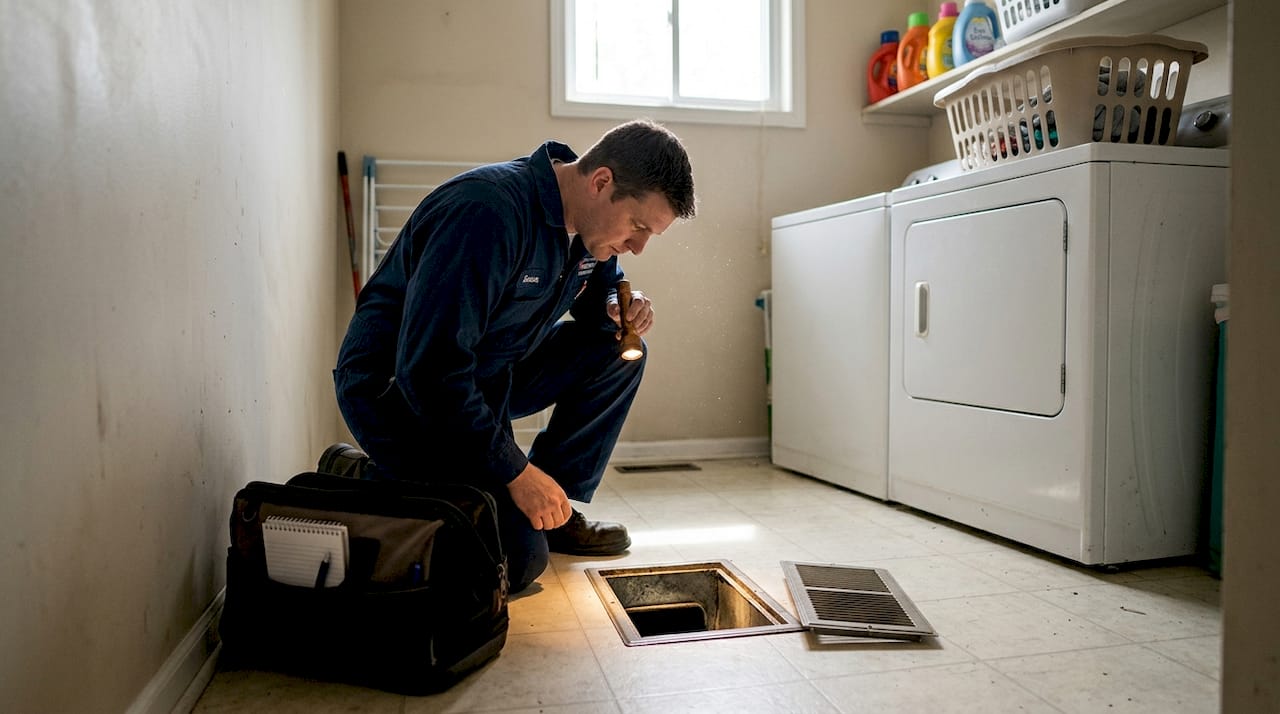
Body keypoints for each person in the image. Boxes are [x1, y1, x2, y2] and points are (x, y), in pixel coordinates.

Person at [323, 119, 696, 593]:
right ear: (601, 182)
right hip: (400, 394)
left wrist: (614, 308)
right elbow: (430, 371)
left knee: (618, 350)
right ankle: (361, 476)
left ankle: (553, 506)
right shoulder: (486, 213)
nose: (639, 247)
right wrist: (514, 471)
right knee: (514, 557)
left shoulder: (585, 227)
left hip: (486, 378)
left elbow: (595, 285)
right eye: (638, 227)